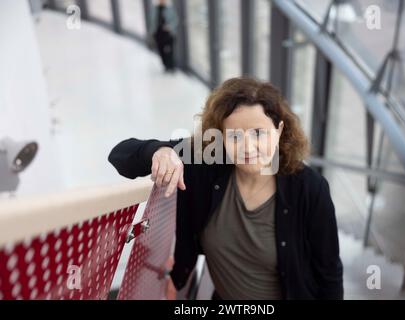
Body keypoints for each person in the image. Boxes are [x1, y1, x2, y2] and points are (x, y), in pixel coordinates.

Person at [108, 77, 343, 299]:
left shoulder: (309, 188)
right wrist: (159, 152)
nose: (247, 147)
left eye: (258, 133)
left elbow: (329, 273)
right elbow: (120, 155)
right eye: (235, 136)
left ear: (279, 130)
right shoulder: (207, 166)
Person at [150, 0, 178, 72]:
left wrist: (169, 27)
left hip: (168, 33)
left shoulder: (170, 9)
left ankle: (171, 66)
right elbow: (152, 21)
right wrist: (152, 32)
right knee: (161, 50)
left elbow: (175, 20)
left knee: (170, 51)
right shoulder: (154, 9)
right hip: (158, 34)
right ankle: (165, 65)